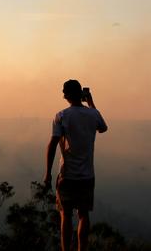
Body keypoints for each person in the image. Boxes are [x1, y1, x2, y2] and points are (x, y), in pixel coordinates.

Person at [44, 79, 108, 251]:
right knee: (83, 215)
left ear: (65, 95)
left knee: (65, 215)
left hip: (67, 175)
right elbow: (103, 128)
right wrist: (91, 102)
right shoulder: (93, 114)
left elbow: (52, 145)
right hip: (87, 175)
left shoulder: (61, 115)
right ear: (81, 94)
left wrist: (47, 174)